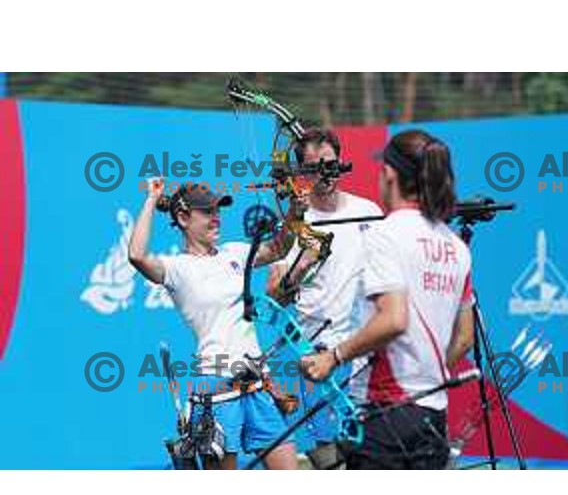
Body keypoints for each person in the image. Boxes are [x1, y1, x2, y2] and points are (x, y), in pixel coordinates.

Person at [302, 130, 475, 470]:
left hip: (384, 414)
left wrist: (334, 358)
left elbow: (393, 319)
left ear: (390, 175)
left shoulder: (384, 232)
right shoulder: (456, 245)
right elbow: (465, 338)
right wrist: (428, 376)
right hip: (434, 415)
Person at [129, 180, 305, 470]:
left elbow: (279, 248)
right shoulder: (176, 268)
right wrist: (152, 199)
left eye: (217, 210)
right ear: (183, 218)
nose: (216, 217)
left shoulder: (234, 251)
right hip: (216, 387)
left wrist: (296, 212)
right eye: (206, 212)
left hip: (258, 383)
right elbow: (136, 255)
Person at [267, 128, 383, 469]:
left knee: (369, 456)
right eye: (315, 167)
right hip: (315, 358)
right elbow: (273, 298)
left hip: (363, 352)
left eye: (331, 164)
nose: (325, 173)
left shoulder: (370, 212)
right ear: (301, 173)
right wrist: (302, 264)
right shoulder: (295, 224)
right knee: (329, 460)